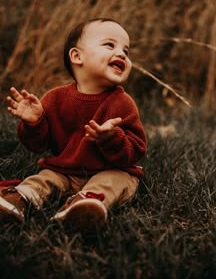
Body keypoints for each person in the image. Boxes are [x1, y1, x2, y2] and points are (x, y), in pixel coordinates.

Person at [0, 18, 147, 233]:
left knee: (116, 181)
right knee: (45, 179)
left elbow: (136, 151)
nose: (122, 54)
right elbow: (38, 145)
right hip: (64, 171)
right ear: (77, 56)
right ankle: (18, 199)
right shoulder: (55, 98)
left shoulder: (122, 103)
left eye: (126, 51)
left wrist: (112, 139)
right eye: (110, 45)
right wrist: (34, 124)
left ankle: (85, 206)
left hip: (111, 170)